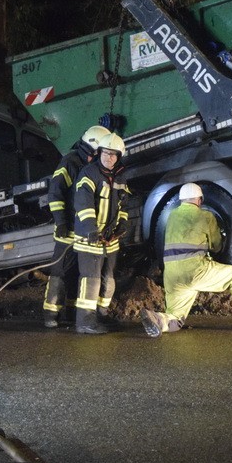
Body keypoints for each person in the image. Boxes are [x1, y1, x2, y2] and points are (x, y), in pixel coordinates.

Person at [140, 182, 232, 337]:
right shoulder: (206, 216)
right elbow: (216, 245)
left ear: (182, 200)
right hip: (195, 271)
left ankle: (158, 319)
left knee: (176, 318)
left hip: (172, 276)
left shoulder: (171, 217)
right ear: (200, 200)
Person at [42, 125, 111, 328]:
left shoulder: (93, 167)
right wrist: (61, 222)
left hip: (83, 230)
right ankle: (50, 315)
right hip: (68, 229)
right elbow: (55, 193)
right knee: (60, 271)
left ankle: (72, 314)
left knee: (77, 273)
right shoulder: (70, 162)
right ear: (93, 149)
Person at [72, 132, 130, 335]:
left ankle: (101, 315)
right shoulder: (89, 173)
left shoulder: (120, 176)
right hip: (90, 239)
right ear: (99, 153)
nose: (109, 158)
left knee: (108, 280)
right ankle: (85, 322)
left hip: (110, 239)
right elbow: (83, 203)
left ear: (119, 156)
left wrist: (122, 224)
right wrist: (90, 230)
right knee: (91, 280)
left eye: (113, 155)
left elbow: (124, 204)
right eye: (105, 153)